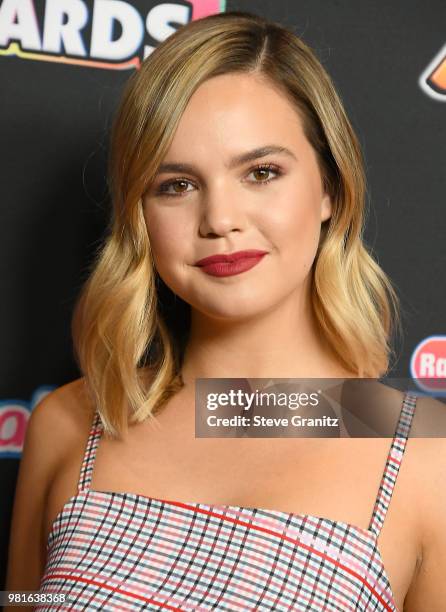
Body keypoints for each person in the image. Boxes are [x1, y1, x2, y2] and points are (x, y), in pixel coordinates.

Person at [6, 10, 446, 611]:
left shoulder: (428, 460)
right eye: (176, 185)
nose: (219, 220)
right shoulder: (70, 422)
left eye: (261, 173)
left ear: (330, 189)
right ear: (140, 213)